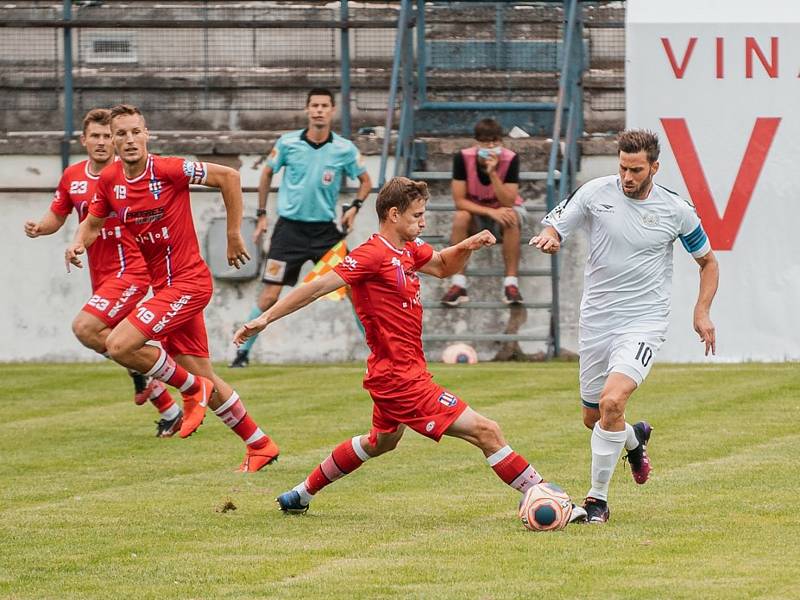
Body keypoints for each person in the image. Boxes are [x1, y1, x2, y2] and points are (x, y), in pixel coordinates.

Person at [234, 176, 586, 521]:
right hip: (400, 378)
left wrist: (467, 245)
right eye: (417, 215)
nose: (423, 221)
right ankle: (547, 496)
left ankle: (299, 495)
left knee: (380, 443)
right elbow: (317, 287)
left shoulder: (407, 250)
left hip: (398, 372)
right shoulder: (371, 255)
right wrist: (264, 319)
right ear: (392, 215)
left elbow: (445, 266)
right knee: (487, 431)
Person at [66, 104, 279, 471]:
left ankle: (191, 390)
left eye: (136, 132)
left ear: (147, 134)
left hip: (188, 282)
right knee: (204, 372)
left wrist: (232, 234)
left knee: (119, 344)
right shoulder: (110, 181)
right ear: (114, 141)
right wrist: (77, 242)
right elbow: (93, 221)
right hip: (165, 289)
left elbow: (228, 176)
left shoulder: (169, 168)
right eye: (122, 134)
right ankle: (259, 444)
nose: (129, 140)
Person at [530, 129, 719, 523]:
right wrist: (550, 238)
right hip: (597, 320)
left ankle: (597, 501)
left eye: (636, 170)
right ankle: (634, 439)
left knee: (612, 402)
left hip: (643, 322)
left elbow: (708, 262)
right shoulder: (595, 193)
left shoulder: (675, 210)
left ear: (654, 167)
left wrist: (701, 311)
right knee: (594, 418)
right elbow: (556, 225)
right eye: (622, 168)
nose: (627, 177)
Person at [25, 108, 180, 437]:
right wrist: (41, 227)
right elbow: (58, 214)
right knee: (114, 343)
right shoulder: (73, 177)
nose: (101, 142)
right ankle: (167, 406)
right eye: (94, 136)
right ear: (83, 140)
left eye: (107, 136)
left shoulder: (125, 176)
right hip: (102, 277)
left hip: (133, 272)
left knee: (85, 327)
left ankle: (165, 372)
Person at [229, 87, 372, 368]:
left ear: (332, 111)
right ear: (307, 110)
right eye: (314, 105)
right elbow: (267, 172)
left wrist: (355, 207)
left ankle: (378, 354)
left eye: (324, 105)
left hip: (325, 232)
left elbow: (366, 181)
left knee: (355, 287)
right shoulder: (287, 143)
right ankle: (242, 352)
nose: (319, 110)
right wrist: (260, 214)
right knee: (270, 295)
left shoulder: (344, 148)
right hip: (289, 231)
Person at [440, 118, 526, 306]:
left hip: (503, 210)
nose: (491, 145)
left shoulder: (510, 158)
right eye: (486, 142)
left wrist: (493, 173)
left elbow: (509, 201)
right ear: (476, 143)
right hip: (476, 210)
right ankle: (458, 284)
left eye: (495, 141)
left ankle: (511, 284)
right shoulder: (462, 158)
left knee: (511, 217)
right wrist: (489, 212)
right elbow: (459, 201)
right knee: (460, 217)